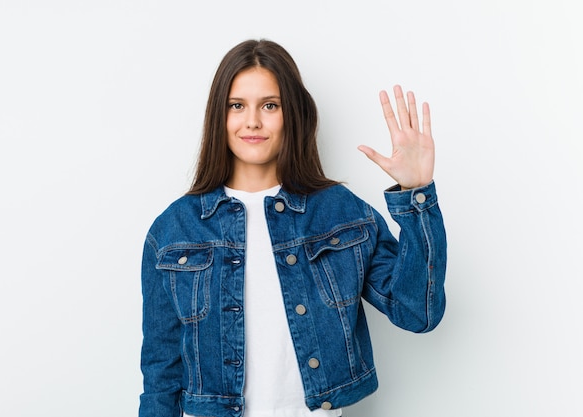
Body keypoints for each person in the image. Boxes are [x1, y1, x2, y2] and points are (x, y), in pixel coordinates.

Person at [139, 39, 446, 417]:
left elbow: (418, 312)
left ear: (293, 114)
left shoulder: (338, 212)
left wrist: (417, 196)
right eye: (237, 105)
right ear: (219, 116)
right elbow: (161, 375)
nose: (252, 121)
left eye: (270, 105)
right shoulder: (175, 230)